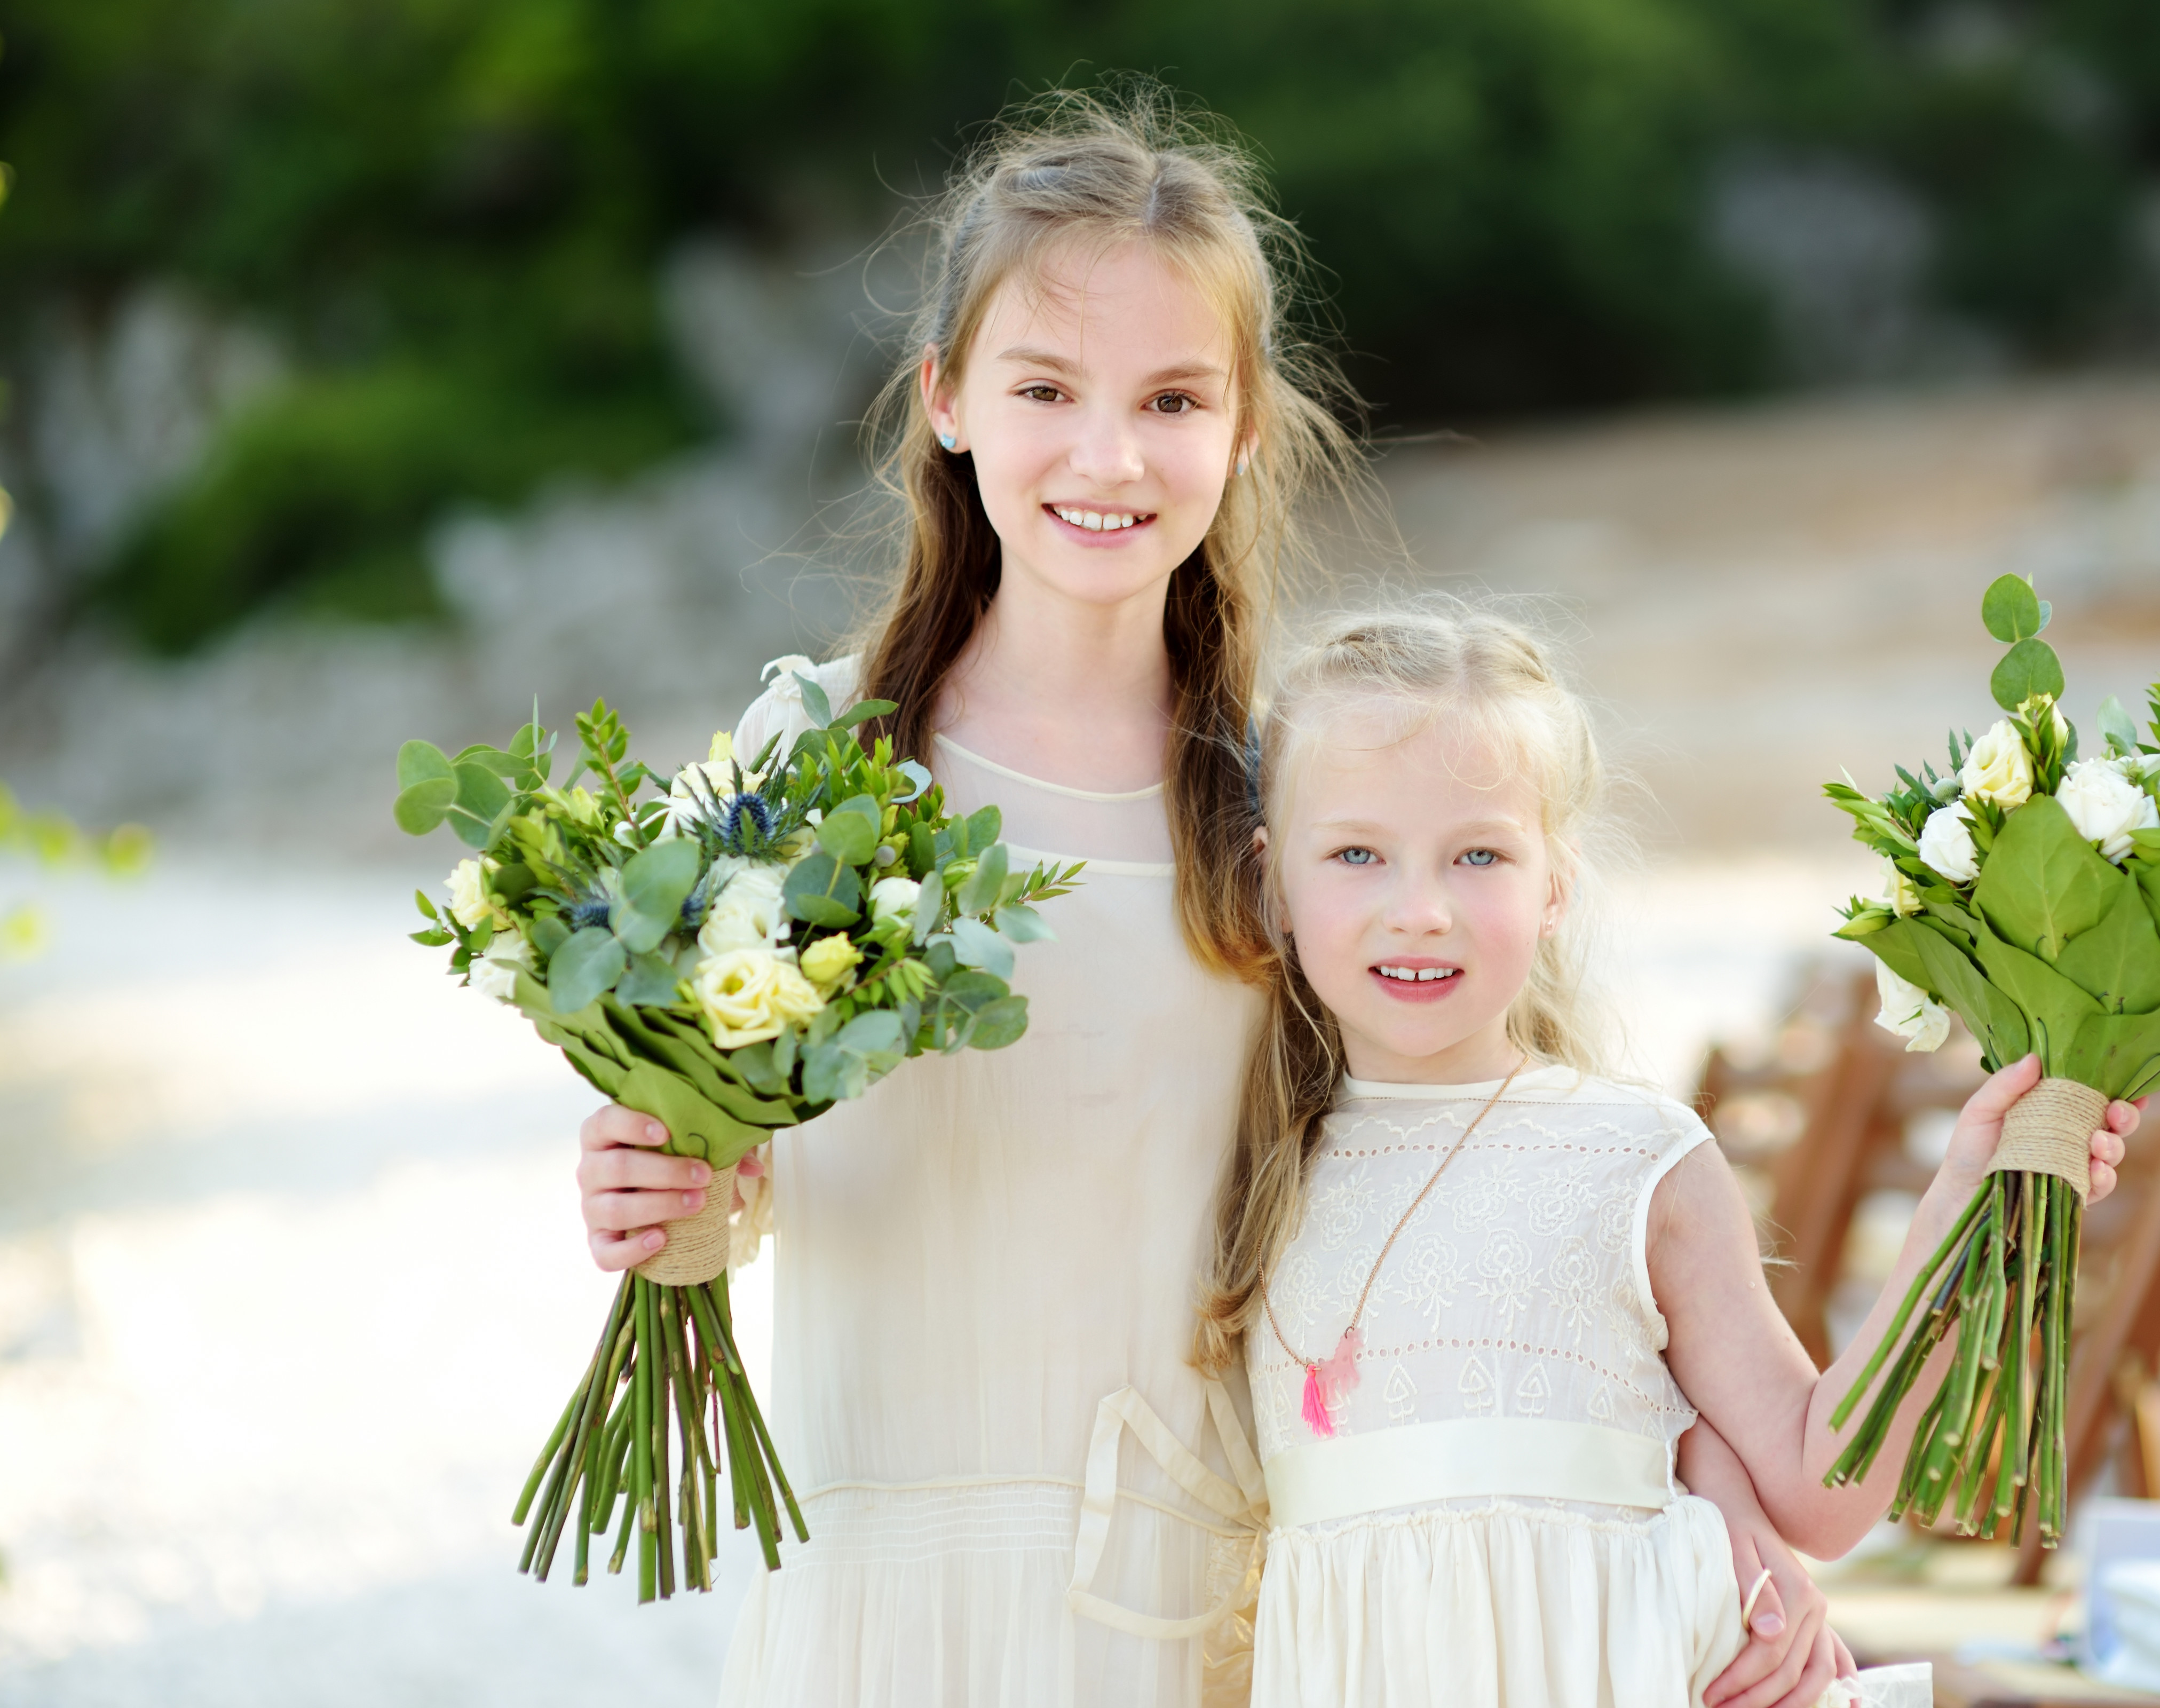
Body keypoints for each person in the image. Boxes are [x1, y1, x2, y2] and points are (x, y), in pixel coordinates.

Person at [572, 91, 1847, 1707]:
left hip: (1200, 1610)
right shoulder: (820, 766)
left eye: (1172, 399)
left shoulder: (1286, 815)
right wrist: (667, 1199)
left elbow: (1477, 1191)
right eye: (1047, 389)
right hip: (877, 1589)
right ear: (949, 401)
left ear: (1244, 427)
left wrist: (1709, 1487)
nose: (1110, 456)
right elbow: (724, 1158)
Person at [1198, 607, 2139, 1706]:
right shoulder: (1243, 1165)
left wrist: (1965, 1216)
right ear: (1273, 880)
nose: (1422, 911)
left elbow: (1819, 1486)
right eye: (1358, 853)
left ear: (1555, 883)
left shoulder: (1636, 1158)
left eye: (1480, 855)